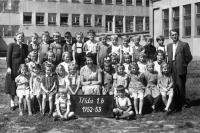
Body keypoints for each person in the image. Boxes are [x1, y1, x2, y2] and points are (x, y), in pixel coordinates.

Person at [167, 29, 192, 112]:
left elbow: (189, 57)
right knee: (173, 86)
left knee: (180, 86)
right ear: (170, 36)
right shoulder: (169, 45)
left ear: (178, 35)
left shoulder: (184, 45)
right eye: (172, 35)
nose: (174, 36)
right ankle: (175, 103)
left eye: (175, 34)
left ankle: (182, 104)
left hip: (180, 68)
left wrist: (184, 65)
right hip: (171, 67)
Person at [5, 32, 29, 111]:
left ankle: (20, 102)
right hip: (13, 67)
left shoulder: (25, 46)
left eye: (22, 37)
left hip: (22, 68)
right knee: (12, 84)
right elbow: (8, 57)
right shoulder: (11, 45)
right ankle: (12, 102)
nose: (20, 38)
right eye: (19, 37)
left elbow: (27, 57)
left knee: (21, 84)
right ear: (15, 37)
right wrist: (8, 67)